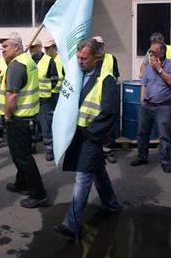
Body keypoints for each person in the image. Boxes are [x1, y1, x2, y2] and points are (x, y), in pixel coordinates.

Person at [53, 39, 122, 239]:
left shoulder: (105, 78)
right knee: (98, 169)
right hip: (80, 135)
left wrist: (93, 133)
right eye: (79, 57)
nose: (80, 61)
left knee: (83, 177)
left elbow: (110, 113)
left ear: (96, 58)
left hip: (92, 135)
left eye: (84, 58)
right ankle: (111, 204)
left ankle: (71, 224)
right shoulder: (77, 73)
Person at [0, 32, 48, 209]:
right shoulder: (27, 62)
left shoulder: (16, 66)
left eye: (5, 46)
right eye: (2, 46)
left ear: (17, 47)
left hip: (19, 118)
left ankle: (38, 193)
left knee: (22, 157)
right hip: (29, 117)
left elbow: (11, 97)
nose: (2, 49)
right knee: (21, 154)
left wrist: (7, 117)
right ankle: (22, 183)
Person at [130, 42, 171, 173]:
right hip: (147, 106)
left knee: (164, 135)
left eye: (153, 52)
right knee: (142, 133)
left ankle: (165, 161)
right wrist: (142, 99)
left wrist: (159, 69)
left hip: (163, 106)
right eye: (150, 51)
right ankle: (142, 156)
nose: (150, 54)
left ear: (162, 53)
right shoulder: (148, 67)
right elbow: (144, 84)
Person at [139, 32, 171, 136]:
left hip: (166, 78)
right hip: (154, 80)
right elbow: (144, 64)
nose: (153, 44)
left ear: (161, 41)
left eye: (156, 41)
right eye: (152, 42)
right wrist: (143, 75)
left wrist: (164, 69)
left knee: (169, 104)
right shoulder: (151, 50)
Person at [92, 36, 120, 164]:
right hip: (92, 97)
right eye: (97, 45)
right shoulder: (90, 59)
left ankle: (108, 150)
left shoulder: (111, 58)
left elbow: (116, 77)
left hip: (107, 96)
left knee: (108, 123)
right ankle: (97, 151)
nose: (100, 47)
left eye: (101, 44)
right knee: (95, 123)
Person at [30, 38, 59, 161]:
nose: (31, 49)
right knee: (30, 124)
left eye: (33, 47)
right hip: (30, 99)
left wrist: (46, 89)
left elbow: (54, 79)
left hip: (44, 99)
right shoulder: (27, 61)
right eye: (30, 47)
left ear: (39, 47)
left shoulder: (48, 61)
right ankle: (32, 144)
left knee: (46, 124)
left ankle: (49, 148)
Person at [43, 38, 64, 111]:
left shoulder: (62, 60)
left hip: (58, 94)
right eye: (45, 48)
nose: (46, 51)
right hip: (46, 96)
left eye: (48, 48)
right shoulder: (43, 60)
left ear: (54, 48)